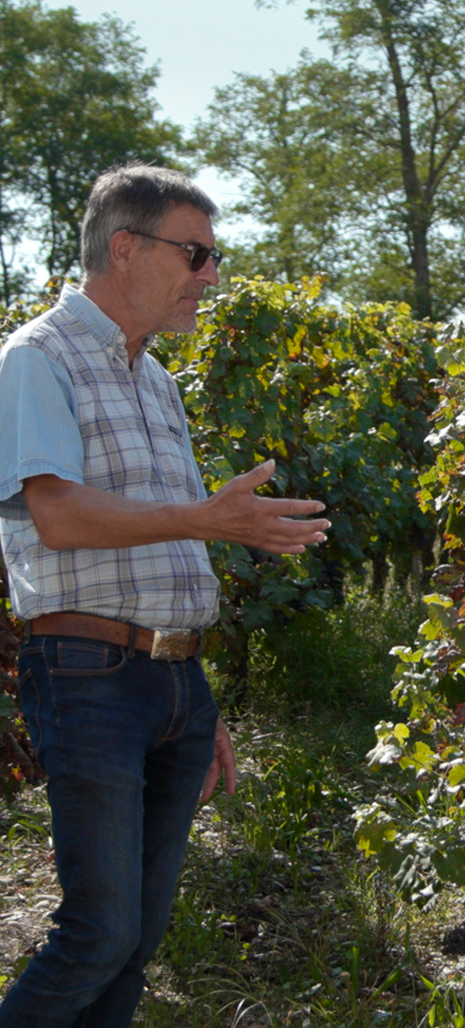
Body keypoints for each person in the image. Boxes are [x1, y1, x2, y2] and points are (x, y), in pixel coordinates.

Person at [0, 163, 331, 1027]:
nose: (211, 276)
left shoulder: (158, 381)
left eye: (213, 257)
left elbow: (166, 554)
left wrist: (196, 697)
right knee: (97, 934)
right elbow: (59, 514)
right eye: (196, 254)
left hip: (170, 685)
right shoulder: (37, 359)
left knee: (137, 941)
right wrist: (208, 518)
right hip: (87, 676)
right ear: (125, 247)